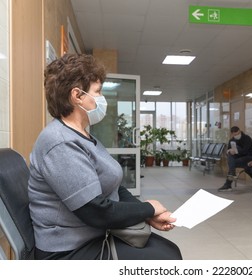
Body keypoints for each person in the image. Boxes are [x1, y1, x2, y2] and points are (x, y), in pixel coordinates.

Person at [28, 53, 182, 260]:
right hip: (68, 250)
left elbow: (113, 186)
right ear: (77, 96)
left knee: (168, 251)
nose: (101, 99)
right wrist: (148, 208)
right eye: (97, 92)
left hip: (93, 234)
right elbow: (96, 212)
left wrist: (147, 215)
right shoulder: (60, 142)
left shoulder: (83, 135)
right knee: (166, 258)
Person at [218, 126, 252, 192]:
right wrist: (229, 151)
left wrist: (236, 151)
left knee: (232, 163)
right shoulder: (232, 140)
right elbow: (228, 151)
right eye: (235, 134)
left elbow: (245, 151)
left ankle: (228, 182)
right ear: (232, 134)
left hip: (249, 157)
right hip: (238, 158)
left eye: (238, 133)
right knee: (230, 156)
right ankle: (231, 175)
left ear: (240, 131)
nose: (237, 135)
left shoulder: (247, 138)